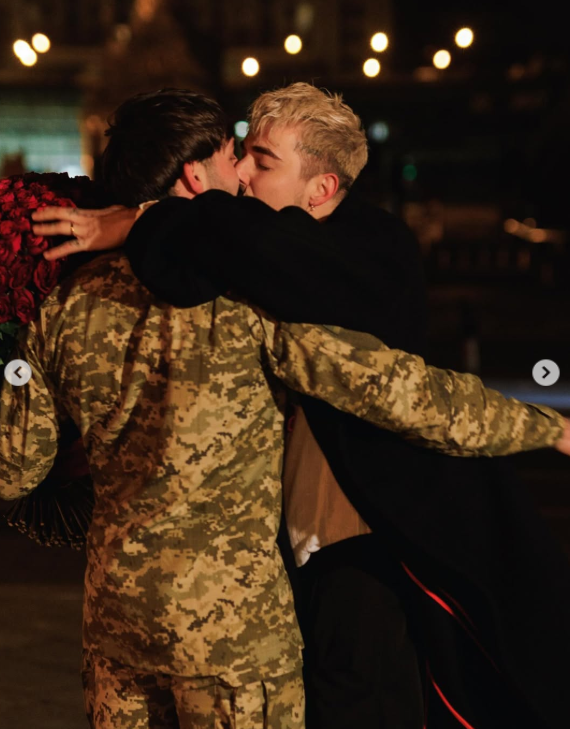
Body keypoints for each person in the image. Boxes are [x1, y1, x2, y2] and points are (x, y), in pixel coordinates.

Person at [31, 86, 570, 729]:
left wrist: (143, 221)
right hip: (258, 592)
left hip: (350, 549)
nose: (242, 175)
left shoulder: (360, 251)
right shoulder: (244, 278)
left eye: (262, 160)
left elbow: (402, 390)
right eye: (240, 154)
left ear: (321, 189)